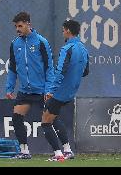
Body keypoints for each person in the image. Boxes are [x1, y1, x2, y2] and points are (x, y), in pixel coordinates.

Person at [5, 12, 55, 159]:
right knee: (16, 117)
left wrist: (49, 89)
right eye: (16, 26)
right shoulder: (15, 44)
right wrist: (9, 87)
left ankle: (63, 150)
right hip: (25, 91)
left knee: (51, 120)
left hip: (41, 90)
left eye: (20, 26)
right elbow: (13, 68)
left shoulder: (41, 42)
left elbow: (49, 68)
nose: (17, 29)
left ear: (28, 25)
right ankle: (24, 151)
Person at [41, 19, 89, 162]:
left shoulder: (67, 48)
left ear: (68, 30)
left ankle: (58, 154)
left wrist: (51, 91)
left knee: (45, 122)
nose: (62, 32)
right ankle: (67, 150)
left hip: (59, 92)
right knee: (54, 118)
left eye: (63, 30)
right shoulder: (83, 49)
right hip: (71, 92)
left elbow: (60, 71)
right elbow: (85, 72)